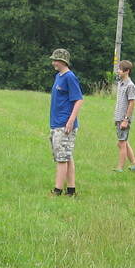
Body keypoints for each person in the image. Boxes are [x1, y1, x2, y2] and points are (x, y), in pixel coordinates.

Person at [48, 48, 83, 196]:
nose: (53, 63)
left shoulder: (70, 77)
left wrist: (70, 121)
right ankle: (71, 190)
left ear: (63, 61)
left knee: (61, 158)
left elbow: (78, 100)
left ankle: (57, 190)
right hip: (56, 123)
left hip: (65, 124)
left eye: (56, 60)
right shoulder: (58, 76)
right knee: (67, 156)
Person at [113, 60, 135, 172]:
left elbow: (132, 103)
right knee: (123, 142)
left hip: (124, 119)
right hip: (118, 118)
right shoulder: (120, 83)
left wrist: (126, 120)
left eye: (120, 69)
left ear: (127, 71)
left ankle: (120, 167)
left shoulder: (130, 86)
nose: (118, 71)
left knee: (121, 143)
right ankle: (134, 165)